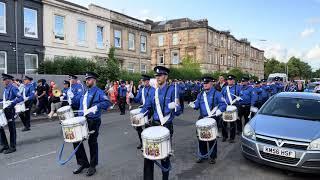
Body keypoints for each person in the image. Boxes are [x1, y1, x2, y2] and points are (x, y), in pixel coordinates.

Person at [138, 66, 181, 180]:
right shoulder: (154, 92)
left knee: (164, 156)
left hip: (166, 125)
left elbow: (178, 112)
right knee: (148, 155)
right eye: (156, 76)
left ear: (166, 76)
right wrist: (140, 114)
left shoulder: (173, 90)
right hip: (155, 125)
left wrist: (176, 106)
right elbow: (147, 106)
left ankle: (165, 178)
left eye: (160, 75)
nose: (158, 77)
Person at [72, 72, 111, 176]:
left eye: (89, 79)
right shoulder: (85, 92)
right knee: (76, 141)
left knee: (92, 142)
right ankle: (83, 163)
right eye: (86, 80)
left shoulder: (99, 92)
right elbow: (79, 104)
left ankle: (93, 166)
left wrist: (97, 107)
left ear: (94, 80)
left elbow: (107, 103)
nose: (87, 81)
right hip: (82, 120)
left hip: (93, 121)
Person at [190, 76, 226, 164]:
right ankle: (203, 155)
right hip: (202, 118)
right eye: (204, 83)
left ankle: (213, 156)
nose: (205, 84)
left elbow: (224, 105)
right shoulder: (200, 94)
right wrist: (193, 105)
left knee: (211, 138)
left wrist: (219, 111)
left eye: (207, 83)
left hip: (213, 118)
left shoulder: (217, 93)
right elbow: (197, 105)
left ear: (211, 83)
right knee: (201, 137)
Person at [0, 74, 23, 154]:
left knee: (11, 128)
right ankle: (4, 145)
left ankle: (12, 147)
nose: (3, 81)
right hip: (5, 110)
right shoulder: (6, 89)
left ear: (8, 80)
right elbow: (6, 99)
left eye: (4, 79)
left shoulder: (13, 88)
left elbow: (20, 98)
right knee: (0, 127)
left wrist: (12, 104)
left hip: (10, 110)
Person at [133, 75, 155, 149]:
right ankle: (142, 142)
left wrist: (143, 112)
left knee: (147, 127)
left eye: (146, 81)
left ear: (148, 81)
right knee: (138, 127)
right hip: (142, 109)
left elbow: (150, 103)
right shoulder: (141, 90)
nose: (144, 82)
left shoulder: (153, 90)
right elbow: (137, 99)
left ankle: (148, 144)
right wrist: (132, 97)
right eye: (143, 81)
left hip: (149, 110)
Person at [221, 75, 240, 143]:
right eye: (229, 80)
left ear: (234, 81)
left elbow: (241, 96)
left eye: (231, 79)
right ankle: (224, 136)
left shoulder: (237, 88)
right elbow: (221, 96)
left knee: (232, 123)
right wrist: (222, 100)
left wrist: (239, 99)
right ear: (227, 81)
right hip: (226, 107)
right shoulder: (224, 88)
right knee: (224, 123)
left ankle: (232, 138)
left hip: (233, 107)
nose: (230, 81)